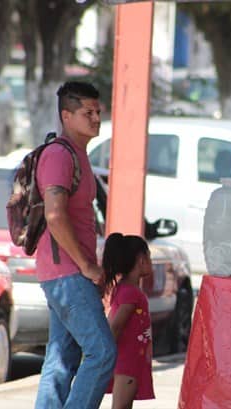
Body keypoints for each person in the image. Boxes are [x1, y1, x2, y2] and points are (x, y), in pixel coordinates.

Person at [34, 81, 116, 409]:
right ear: (66, 116)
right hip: (67, 272)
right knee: (102, 352)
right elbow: (55, 215)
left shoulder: (78, 153)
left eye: (98, 112)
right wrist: (87, 266)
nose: (95, 118)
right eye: (87, 113)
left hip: (65, 272)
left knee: (61, 359)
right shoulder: (59, 155)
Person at [103, 233, 155, 408]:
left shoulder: (122, 289)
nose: (151, 262)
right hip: (128, 362)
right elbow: (116, 325)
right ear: (141, 260)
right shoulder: (132, 293)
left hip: (128, 360)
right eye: (149, 257)